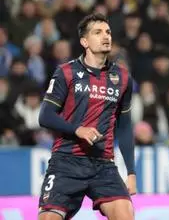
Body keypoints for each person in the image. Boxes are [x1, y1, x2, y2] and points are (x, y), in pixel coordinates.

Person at [37, 13, 137, 220]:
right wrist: (78, 130)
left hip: (103, 164)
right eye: (98, 32)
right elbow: (45, 116)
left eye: (108, 32)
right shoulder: (66, 72)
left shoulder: (123, 78)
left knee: (125, 214)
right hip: (66, 161)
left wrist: (131, 172)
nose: (105, 36)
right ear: (84, 41)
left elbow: (125, 126)